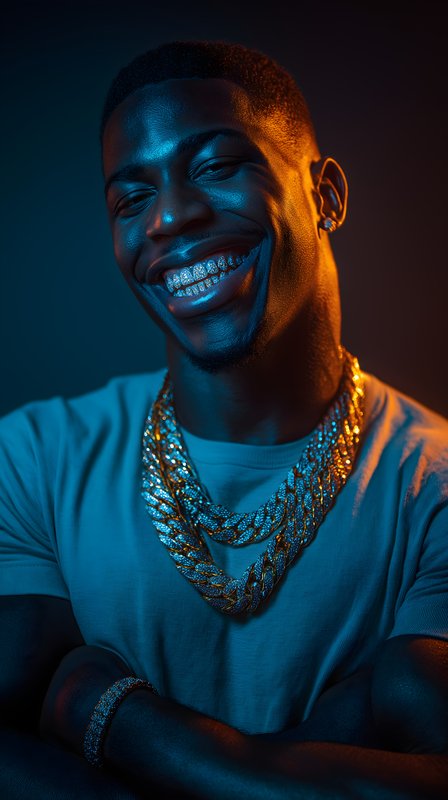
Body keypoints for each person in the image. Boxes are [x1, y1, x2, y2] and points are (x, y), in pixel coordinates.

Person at [0, 39, 447, 799]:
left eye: (216, 165)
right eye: (131, 199)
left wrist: (104, 713)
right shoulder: (33, 461)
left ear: (325, 196)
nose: (171, 217)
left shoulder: (430, 485)